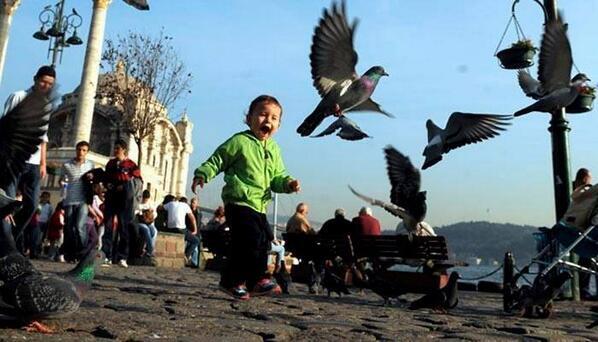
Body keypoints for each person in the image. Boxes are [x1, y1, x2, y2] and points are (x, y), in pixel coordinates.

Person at [192, 94, 301, 300]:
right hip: (239, 200)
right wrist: (203, 173)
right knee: (249, 240)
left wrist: (288, 184)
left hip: (259, 205)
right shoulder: (240, 141)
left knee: (261, 242)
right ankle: (245, 279)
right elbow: (218, 159)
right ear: (249, 118)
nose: (268, 120)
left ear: (279, 124)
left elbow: (277, 178)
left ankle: (246, 281)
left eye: (274, 118)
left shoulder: (274, 149)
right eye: (262, 114)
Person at [1, 65, 56, 251]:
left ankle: (10, 241)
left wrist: (43, 163)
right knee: (7, 204)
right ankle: (6, 248)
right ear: (35, 79)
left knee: (31, 205)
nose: (46, 86)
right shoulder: (18, 97)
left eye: (50, 84)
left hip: (33, 163)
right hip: (13, 160)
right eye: (43, 81)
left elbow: (43, 137)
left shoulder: (46, 106)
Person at [102, 139, 142, 268]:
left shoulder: (131, 165)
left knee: (123, 228)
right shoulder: (110, 164)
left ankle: (122, 256)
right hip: (111, 197)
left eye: (118, 148)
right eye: (115, 148)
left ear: (124, 150)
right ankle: (106, 255)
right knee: (108, 226)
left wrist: (125, 187)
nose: (115, 151)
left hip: (124, 199)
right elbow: (106, 178)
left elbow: (137, 181)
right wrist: (108, 184)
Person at [60, 141, 94, 261]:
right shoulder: (67, 165)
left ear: (87, 152)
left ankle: (82, 253)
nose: (81, 152)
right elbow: (61, 180)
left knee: (80, 227)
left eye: (84, 150)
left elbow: (93, 181)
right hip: (69, 200)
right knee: (69, 227)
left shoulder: (90, 165)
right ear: (76, 150)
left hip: (83, 201)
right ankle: (69, 254)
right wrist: (62, 184)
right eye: (79, 149)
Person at [162, 196, 199, 267]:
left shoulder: (170, 203)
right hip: (180, 229)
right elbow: (192, 218)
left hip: (170, 228)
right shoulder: (185, 205)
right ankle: (186, 256)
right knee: (196, 240)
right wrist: (195, 230)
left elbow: (159, 208)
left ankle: (184, 255)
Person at [136, 189, 157, 258]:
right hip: (140, 222)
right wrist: (141, 212)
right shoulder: (138, 204)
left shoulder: (151, 204)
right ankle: (151, 250)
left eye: (146, 199)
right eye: (144, 199)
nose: (145, 200)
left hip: (149, 222)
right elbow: (135, 212)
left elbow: (155, 214)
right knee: (146, 230)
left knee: (154, 231)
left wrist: (151, 213)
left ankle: (148, 249)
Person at [37, 191, 54, 256]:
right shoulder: (39, 205)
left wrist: (48, 222)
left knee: (43, 238)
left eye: (46, 197)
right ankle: (37, 250)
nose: (44, 199)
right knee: (38, 237)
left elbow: (50, 215)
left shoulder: (49, 206)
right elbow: (37, 213)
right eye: (43, 197)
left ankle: (41, 251)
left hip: (45, 223)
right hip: (38, 222)